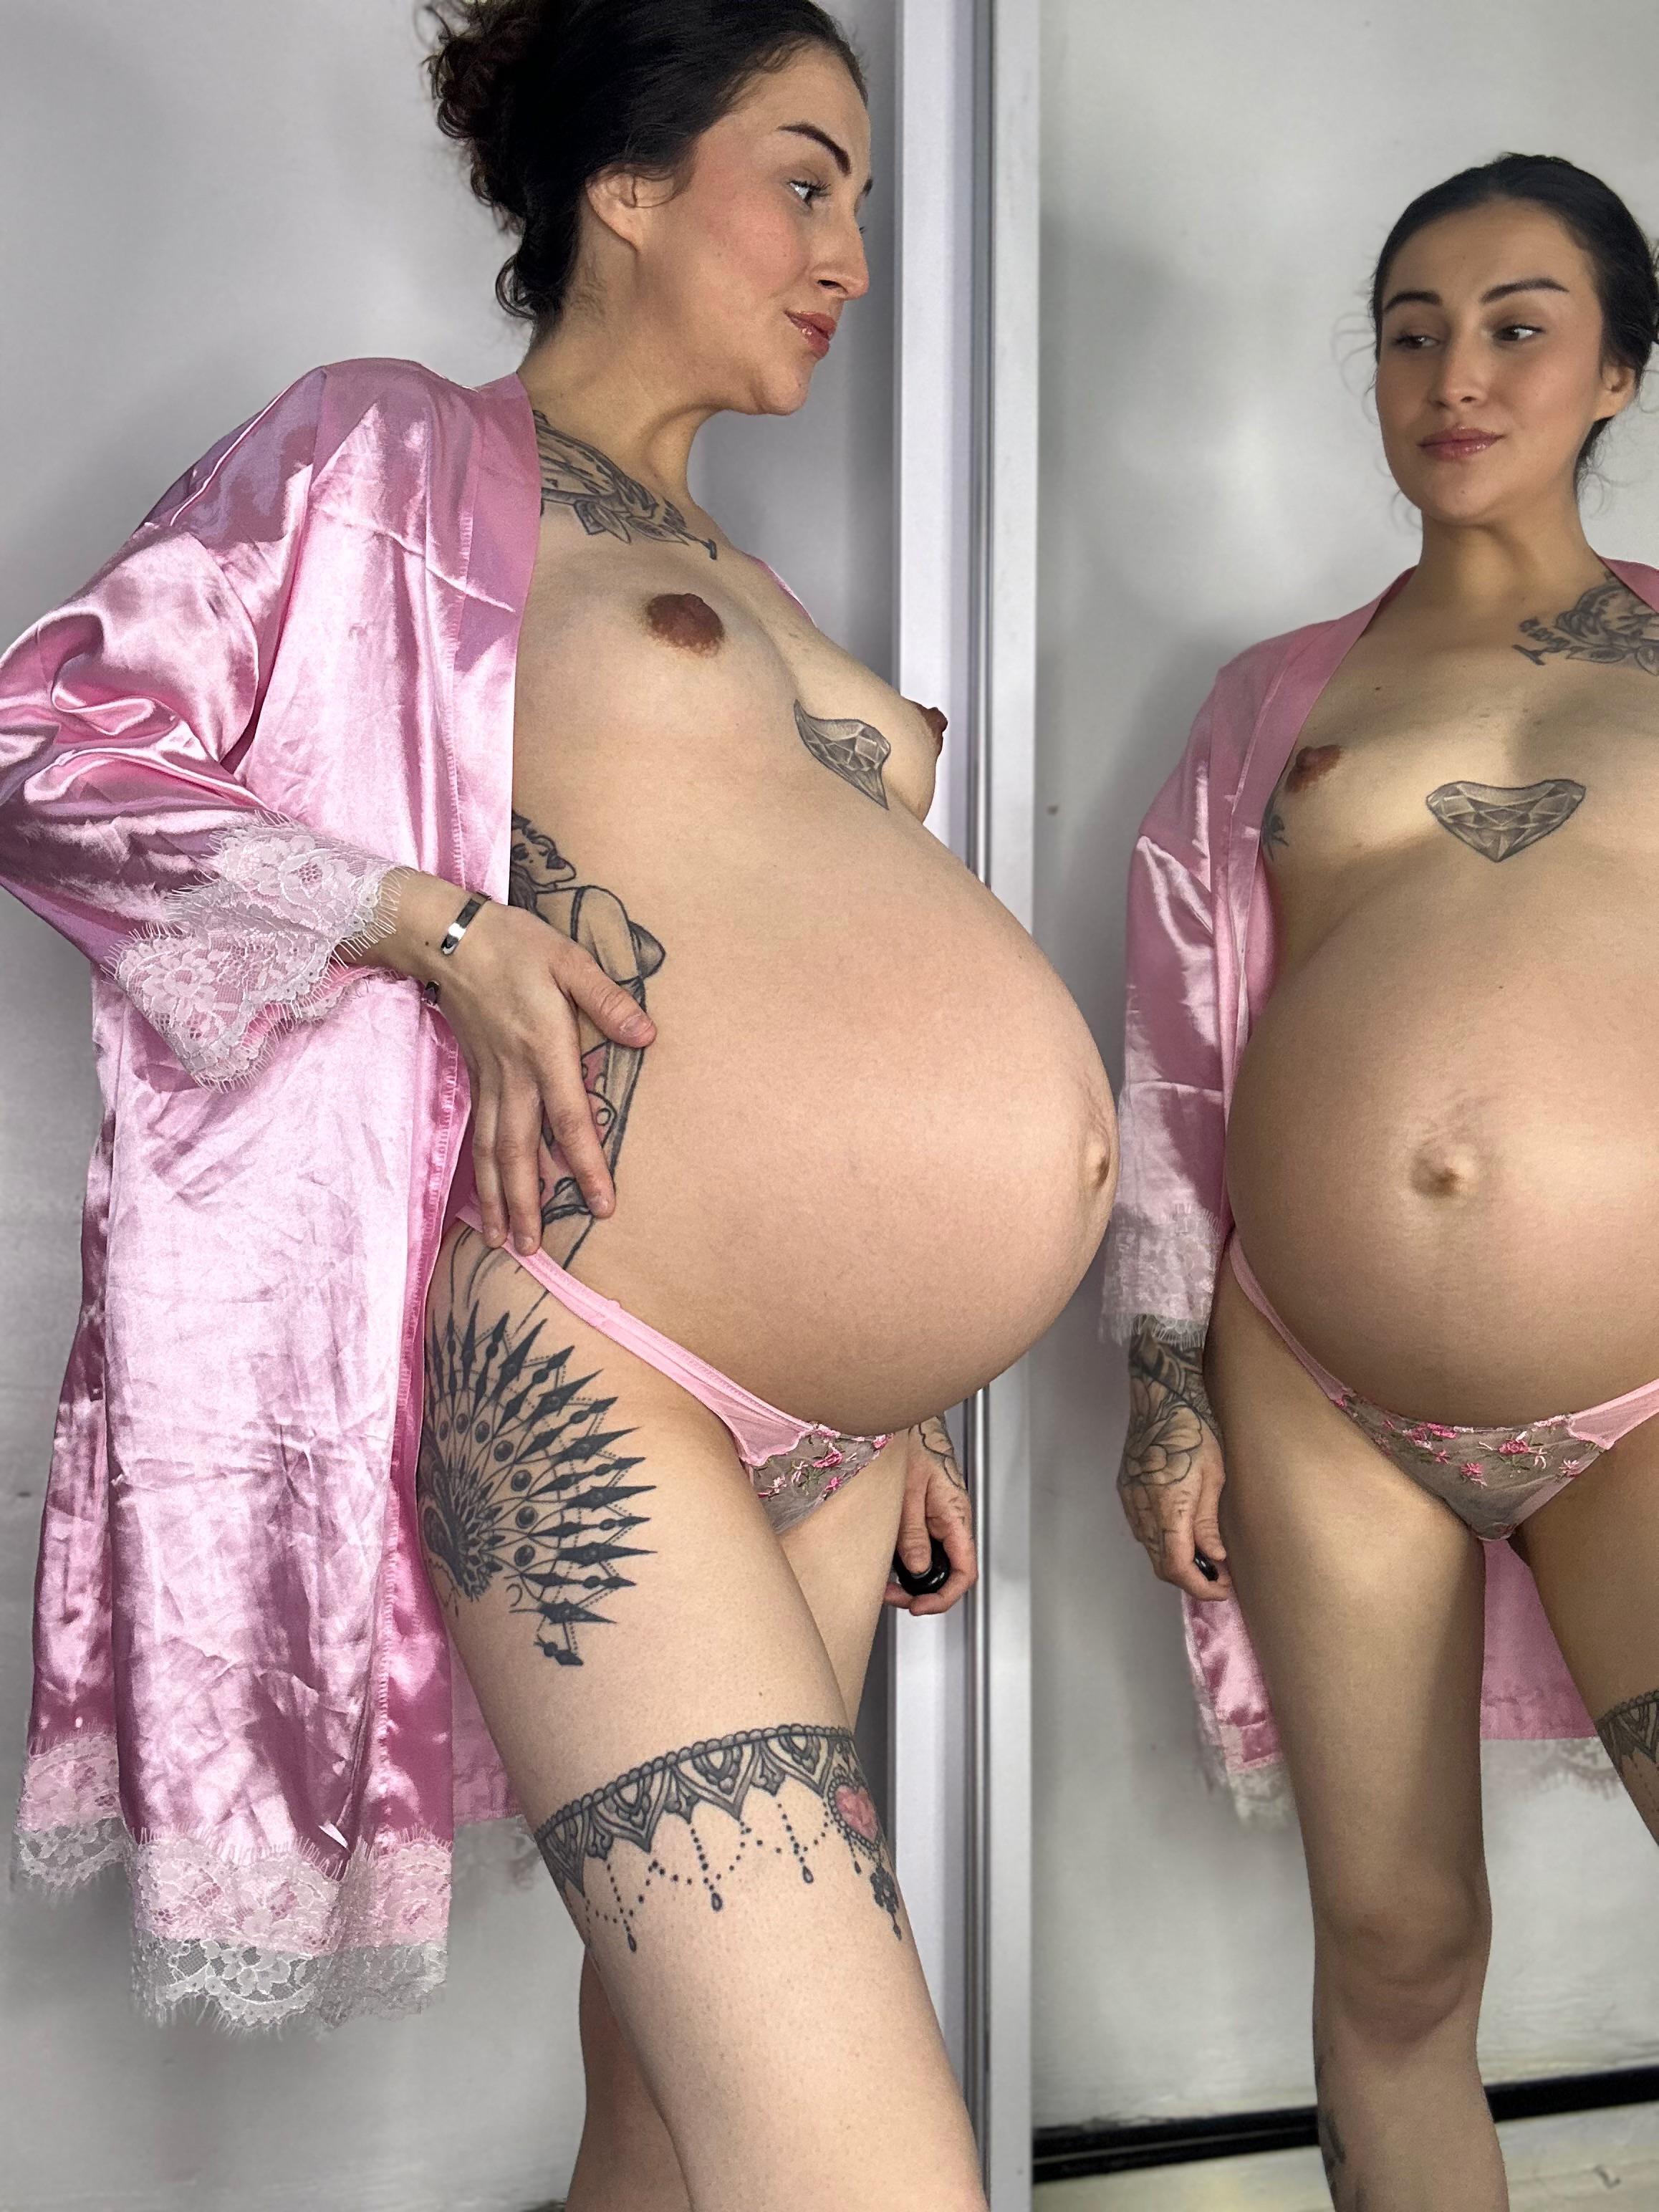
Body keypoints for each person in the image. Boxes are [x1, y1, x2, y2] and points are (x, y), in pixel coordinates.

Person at [1, 4, 1115, 2207]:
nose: (849, 257)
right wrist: (434, 927)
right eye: (804, 182)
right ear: (621, 187)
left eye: (861, 204)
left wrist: (907, 1369)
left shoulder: (759, 584)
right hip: (591, 1363)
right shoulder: (386, 450)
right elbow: (46, 748)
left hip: (835, 1431)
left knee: (673, 2129)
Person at [1105, 153, 1659, 2211]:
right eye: (1410, 331)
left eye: (1517, 325)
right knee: (1399, 1944)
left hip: (1642, 1378)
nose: (1455, 374)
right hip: (1315, 1385)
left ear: (1619, 370)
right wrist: (1161, 1377)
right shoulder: (1279, 697)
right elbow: (1175, 1050)